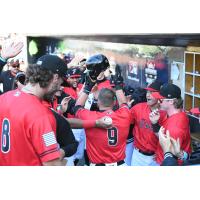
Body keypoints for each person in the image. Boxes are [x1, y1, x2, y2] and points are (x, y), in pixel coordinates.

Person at [0, 54, 67, 166]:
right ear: (55, 78)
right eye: (60, 82)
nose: (60, 87)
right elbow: (52, 163)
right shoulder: (42, 114)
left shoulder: (4, 98)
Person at [74, 66, 131, 166]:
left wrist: (88, 87)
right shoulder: (124, 115)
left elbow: (77, 107)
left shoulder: (90, 117)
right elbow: (123, 103)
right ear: (114, 102)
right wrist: (118, 87)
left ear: (98, 102)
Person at [150, 83, 191, 165]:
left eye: (161, 100)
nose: (158, 102)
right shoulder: (177, 114)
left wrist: (160, 158)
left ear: (171, 101)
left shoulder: (175, 127)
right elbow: (164, 138)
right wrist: (155, 124)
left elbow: (172, 156)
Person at [130, 80, 167, 166]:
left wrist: (160, 153)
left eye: (151, 92)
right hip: (138, 155)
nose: (147, 95)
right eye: (147, 92)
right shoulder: (138, 108)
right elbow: (123, 123)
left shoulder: (165, 113)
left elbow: (167, 139)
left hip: (156, 157)